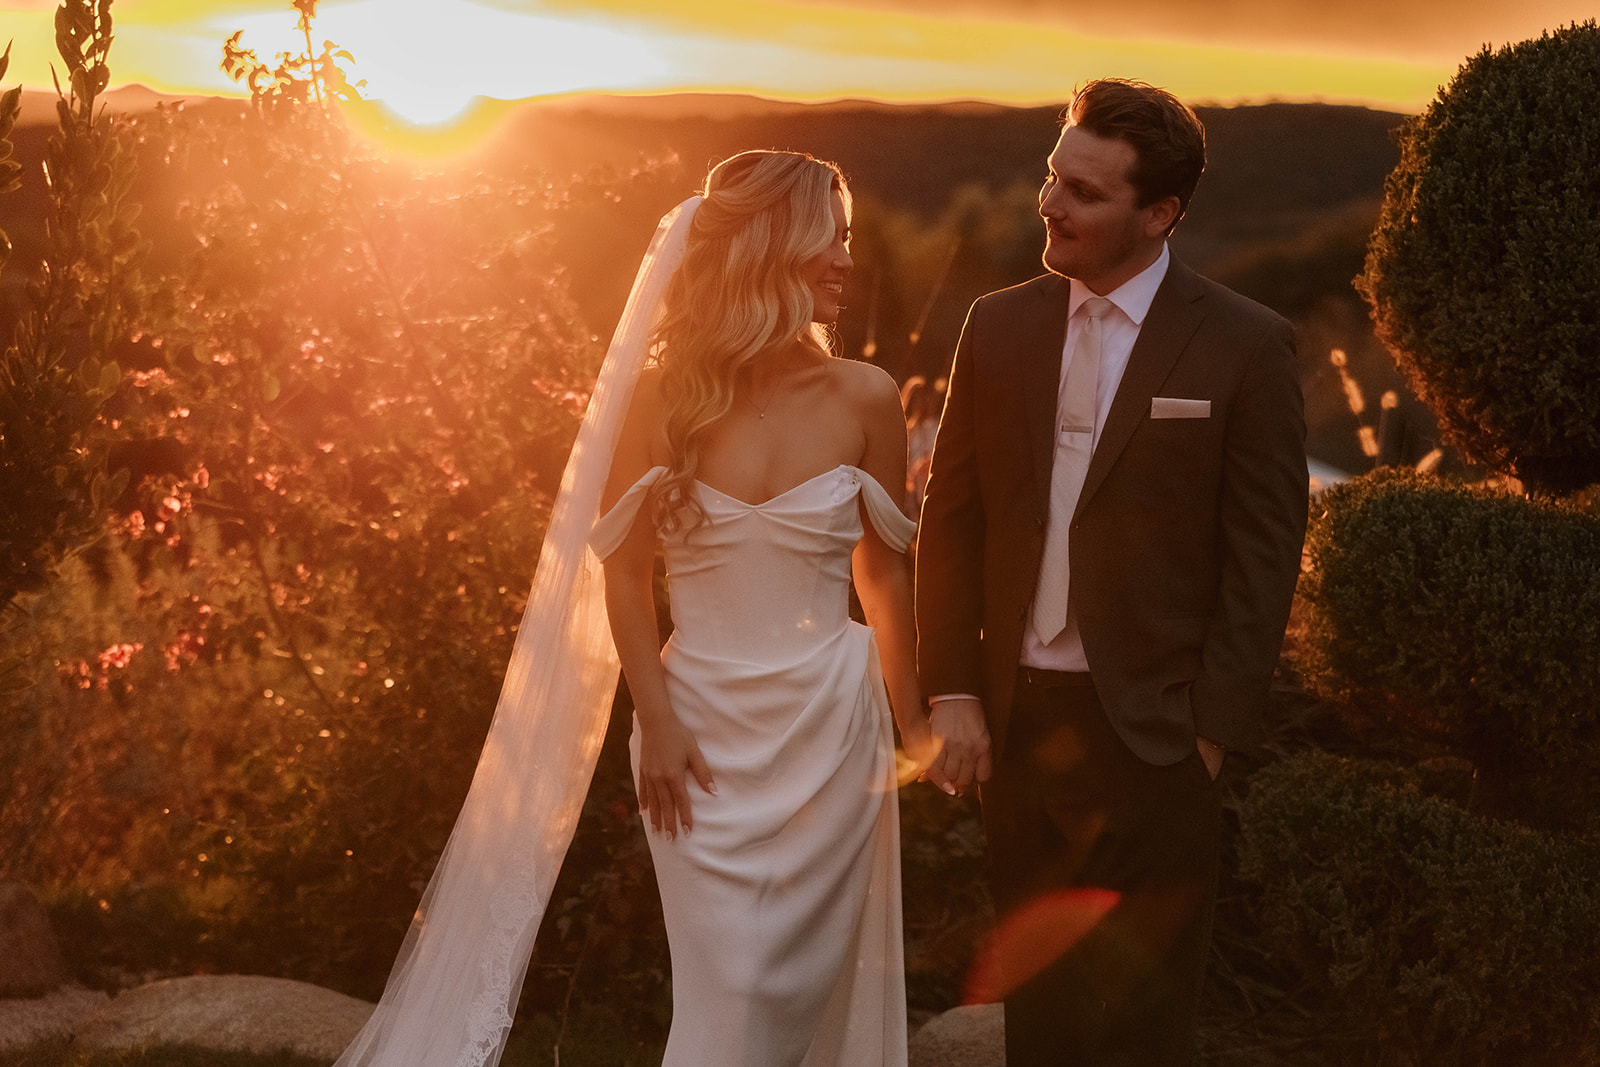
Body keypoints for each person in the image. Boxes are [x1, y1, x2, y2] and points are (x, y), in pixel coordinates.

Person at [335, 150, 939, 1067]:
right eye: (833, 238)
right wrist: (654, 716)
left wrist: (916, 724)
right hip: (696, 737)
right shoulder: (663, 399)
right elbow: (620, 577)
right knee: (729, 988)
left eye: (849, 239)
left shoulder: (865, 397)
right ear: (772, 245)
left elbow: (882, 577)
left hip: (829, 730)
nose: (848, 260)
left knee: (790, 994)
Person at [915, 79, 1308, 1066]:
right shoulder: (995, 325)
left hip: (1158, 737)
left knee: (1142, 1024)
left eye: (1084, 192)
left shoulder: (1245, 345)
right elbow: (951, 522)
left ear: (1158, 212)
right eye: (1053, 175)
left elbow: (1265, 552)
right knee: (1039, 1017)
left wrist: (1209, 731)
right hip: (1018, 722)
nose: (1051, 202)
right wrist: (952, 688)